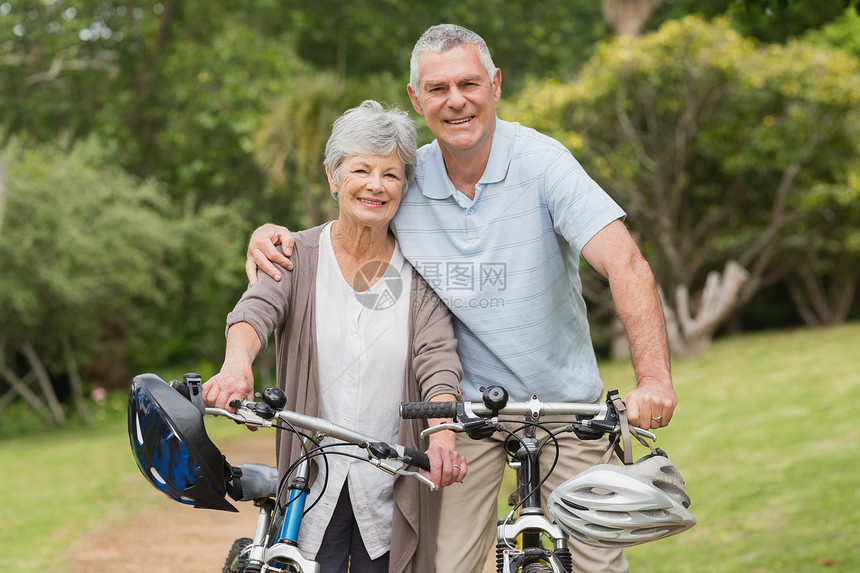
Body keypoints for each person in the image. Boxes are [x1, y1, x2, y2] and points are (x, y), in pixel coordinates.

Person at [244, 25, 677, 573]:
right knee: (444, 563)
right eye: (438, 88)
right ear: (415, 98)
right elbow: (351, 219)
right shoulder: (406, 176)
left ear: (495, 85)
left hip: (568, 406)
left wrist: (655, 380)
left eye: (469, 83)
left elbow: (626, 262)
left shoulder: (543, 164)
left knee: (597, 561)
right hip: (466, 413)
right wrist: (269, 235)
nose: (456, 101)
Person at [202, 100, 467, 573]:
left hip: (390, 483)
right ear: (333, 177)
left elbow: (438, 357)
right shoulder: (296, 254)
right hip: (312, 484)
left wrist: (442, 435)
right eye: (361, 169)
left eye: (391, 174)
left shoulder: (419, 269)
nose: (375, 185)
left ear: (404, 186)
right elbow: (254, 312)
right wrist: (236, 365)